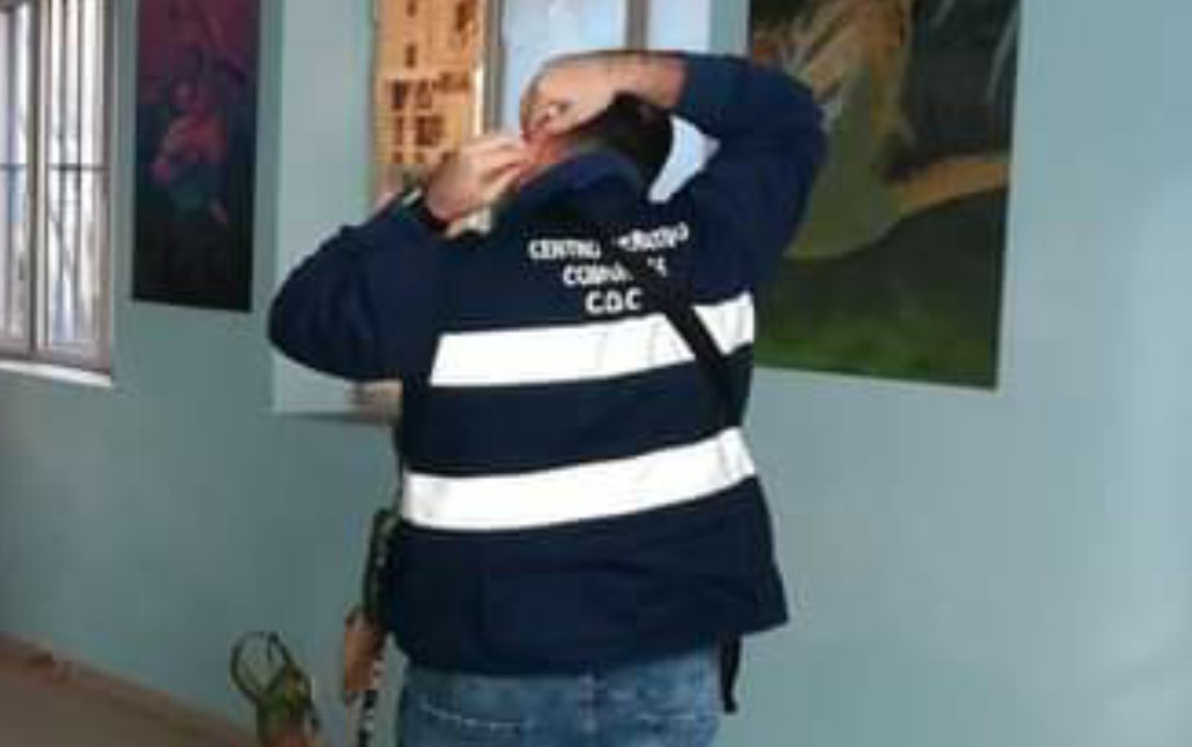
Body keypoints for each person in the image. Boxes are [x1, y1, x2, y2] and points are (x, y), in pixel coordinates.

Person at [268, 52, 826, 746]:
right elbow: (787, 116)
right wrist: (622, 73)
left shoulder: (450, 281)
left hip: (488, 669)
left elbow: (301, 316)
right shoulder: (713, 249)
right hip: (669, 664)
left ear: (536, 142)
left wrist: (429, 210)